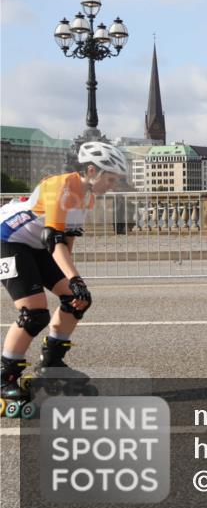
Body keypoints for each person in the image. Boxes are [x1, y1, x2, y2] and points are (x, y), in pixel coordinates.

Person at [0, 142, 128, 417]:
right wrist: (75, 278)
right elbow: (54, 241)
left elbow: (66, 242)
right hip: (9, 240)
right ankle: (5, 376)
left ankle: (51, 364)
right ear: (92, 171)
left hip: (37, 245)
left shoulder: (87, 196)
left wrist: (74, 283)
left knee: (76, 299)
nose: (113, 185)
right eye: (110, 179)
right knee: (34, 314)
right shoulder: (61, 188)